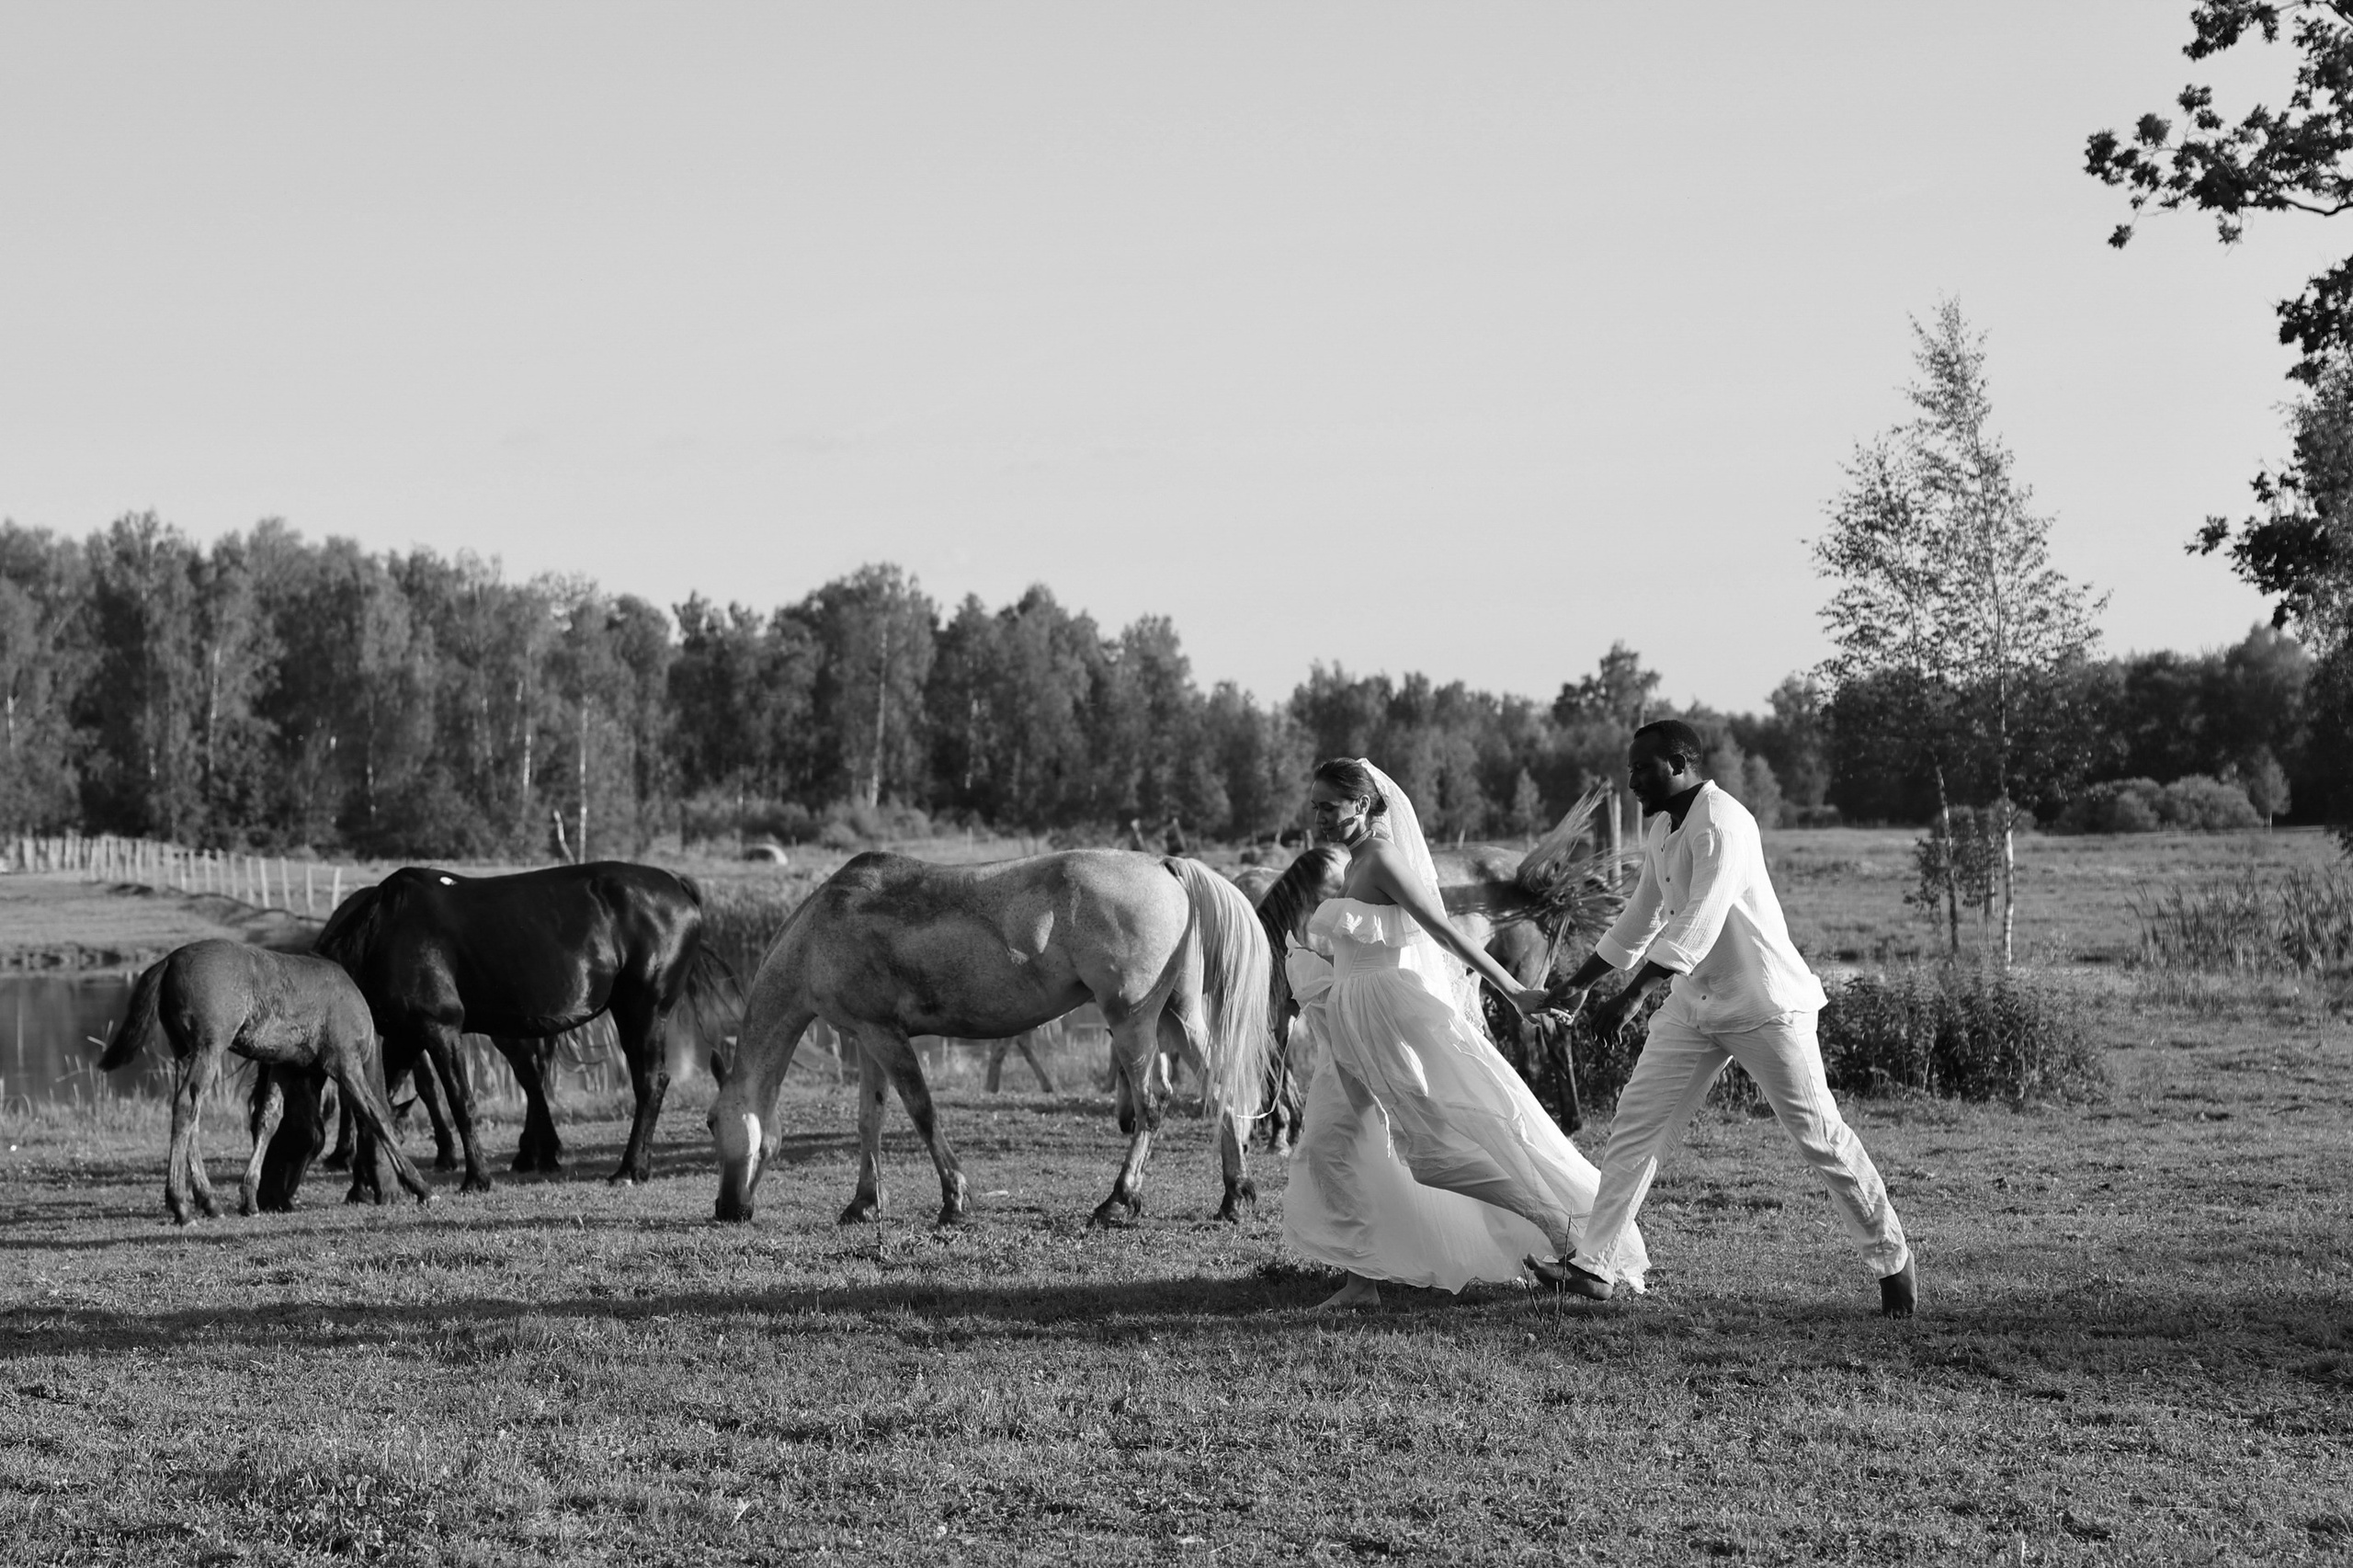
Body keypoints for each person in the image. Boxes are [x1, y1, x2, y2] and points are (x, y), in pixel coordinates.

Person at [1534, 720, 1917, 1317]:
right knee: (1637, 1123)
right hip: (1695, 1004)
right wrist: (1580, 985)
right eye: (1630, 770)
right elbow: (1641, 917)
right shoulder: (1665, 827)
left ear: (1679, 763)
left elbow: (1701, 919)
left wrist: (1632, 997)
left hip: (1765, 1005)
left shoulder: (1722, 822)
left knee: (1821, 1138)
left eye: (1642, 769)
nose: (1632, 782)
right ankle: (1594, 1265)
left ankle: (1893, 1261)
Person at [1282, 756, 1646, 1310]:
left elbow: (1444, 932)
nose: (1319, 819)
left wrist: (1514, 991)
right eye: (1315, 808)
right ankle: (1360, 1282)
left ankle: (1562, 1228)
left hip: (1384, 1015)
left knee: (1433, 1152)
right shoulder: (1356, 862)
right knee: (1332, 1140)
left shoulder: (1382, 858)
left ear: (1362, 804)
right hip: (1349, 1015)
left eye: (1328, 807)